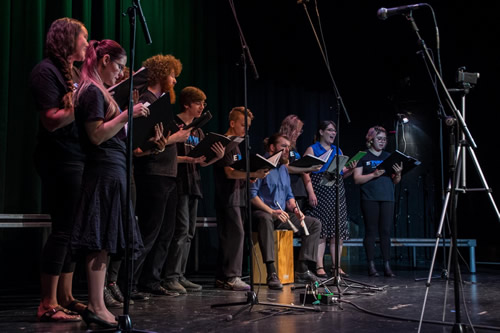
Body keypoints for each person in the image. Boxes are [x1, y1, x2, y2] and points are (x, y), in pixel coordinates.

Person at [71, 39, 149, 328]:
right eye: (117, 66)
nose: (120, 74)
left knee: (104, 240)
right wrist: (128, 114)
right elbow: (95, 135)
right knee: (99, 239)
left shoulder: (99, 90)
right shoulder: (91, 91)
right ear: (103, 60)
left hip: (113, 169)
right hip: (103, 170)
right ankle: (94, 304)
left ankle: (98, 304)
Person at [29, 17, 88, 323]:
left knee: (73, 232)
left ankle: (65, 296)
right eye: (83, 38)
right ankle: (47, 302)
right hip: (59, 159)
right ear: (68, 39)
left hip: (77, 156)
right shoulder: (46, 72)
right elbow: (52, 120)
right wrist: (81, 103)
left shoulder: (73, 72)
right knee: (63, 229)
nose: (87, 44)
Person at [132, 54, 190, 297]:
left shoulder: (161, 102)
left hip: (168, 174)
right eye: (172, 75)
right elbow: (139, 146)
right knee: (149, 231)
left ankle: (151, 280)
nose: (175, 80)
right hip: (153, 173)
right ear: (160, 75)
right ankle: (130, 283)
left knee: (165, 232)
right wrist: (174, 138)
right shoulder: (146, 102)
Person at [162, 86, 225, 293]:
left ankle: (180, 274)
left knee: (189, 232)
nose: (202, 107)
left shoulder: (198, 130)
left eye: (204, 104)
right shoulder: (174, 124)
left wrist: (215, 157)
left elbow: (200, 160)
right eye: (198, 103)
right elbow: (164, 154)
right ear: (187, 104)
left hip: (193, 182)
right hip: (178, 182)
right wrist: (188, 159)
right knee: (180, 231)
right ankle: (170, 276)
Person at [250, 133, 322, 290]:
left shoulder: (283, 169)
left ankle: (302, 268)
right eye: (283, 146)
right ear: (272, 147)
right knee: (265, 218)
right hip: (262, 213)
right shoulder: (261, 165)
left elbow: (289, 197)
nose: (287, 150)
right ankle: (271, 272)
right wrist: (271, 211)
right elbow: (252, 196)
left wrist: (296, 209)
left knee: (314, 224)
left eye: (288, 147)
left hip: (281, 214)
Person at [213, 107, 268, 291]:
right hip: (228, 197)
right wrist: (253, 173)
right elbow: (229, 173)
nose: (246, 129)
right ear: (232, 123)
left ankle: (222, 277)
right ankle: (231, 276)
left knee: (232, 235)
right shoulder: (226, 143)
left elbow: (238, 171)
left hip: (237, 196)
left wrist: (249, 175)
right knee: (235, 234)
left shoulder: (236, 144)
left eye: (249, 126)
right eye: (244, 125)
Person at [303, 120, 356, 278]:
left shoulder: (337, 150)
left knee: (337, 230)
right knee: (322, 231)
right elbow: (305, 172)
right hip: (320, 189)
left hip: (336, 190)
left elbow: (340, 173)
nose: (333, 133)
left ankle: (336, 266)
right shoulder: (313, 149)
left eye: (335, 131)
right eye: (330, 130)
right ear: (321, 132)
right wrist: (311, 193)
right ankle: (319, 265)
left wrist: (350, 169)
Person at [353, 126, 402, 277]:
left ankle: (387, 265)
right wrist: (373, 175)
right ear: (371, 139)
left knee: (386, 231)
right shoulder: (362, 156)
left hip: (387, 197)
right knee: (371, 231)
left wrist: (399, 174)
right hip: (370, 198)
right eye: (379, 138)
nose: (382, 142)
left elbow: (395, 181)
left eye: (384, 139)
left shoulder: (389, 156)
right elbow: (356, 179)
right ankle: (371, 265)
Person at [278, 115, 321, 209]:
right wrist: (308, 168)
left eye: (300, 131)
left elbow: (300, 169)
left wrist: (310, 192)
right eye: (296, 130)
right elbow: (286, 167)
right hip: (290, 191)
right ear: (288, 129)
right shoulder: (282, 146)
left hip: (299, 191)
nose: (298, 134)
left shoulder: (294, 148)